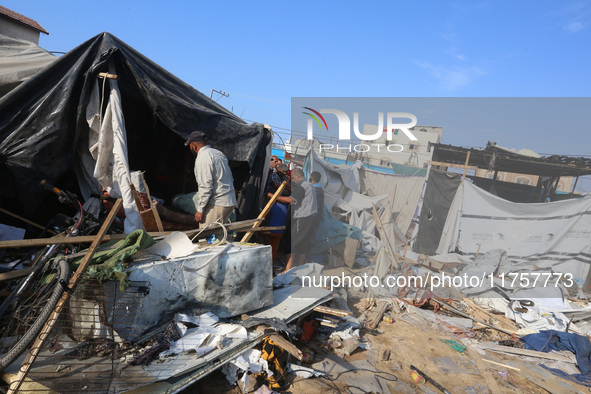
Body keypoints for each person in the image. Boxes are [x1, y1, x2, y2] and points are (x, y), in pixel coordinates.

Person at [185, 131, 236, 227]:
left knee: (206, 239)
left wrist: (200, 210)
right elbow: (230, 177)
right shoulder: (218, 154)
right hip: (229, 201)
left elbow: (206, 187)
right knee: (219, 238)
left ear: (194, 146)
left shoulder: (203, 158)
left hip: (217, 203)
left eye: (190, 146)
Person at [282, 167, 317, 271]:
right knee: (302, 244)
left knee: (291, 244)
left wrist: (272, 197)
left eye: (293, 178)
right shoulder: (309, 185)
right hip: (310, 218)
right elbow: (296, 191)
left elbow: (290, 200)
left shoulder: (303, 186)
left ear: (298, 176)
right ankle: (300, 267)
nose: (293, 181)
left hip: (303, 218)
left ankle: (288, 269)